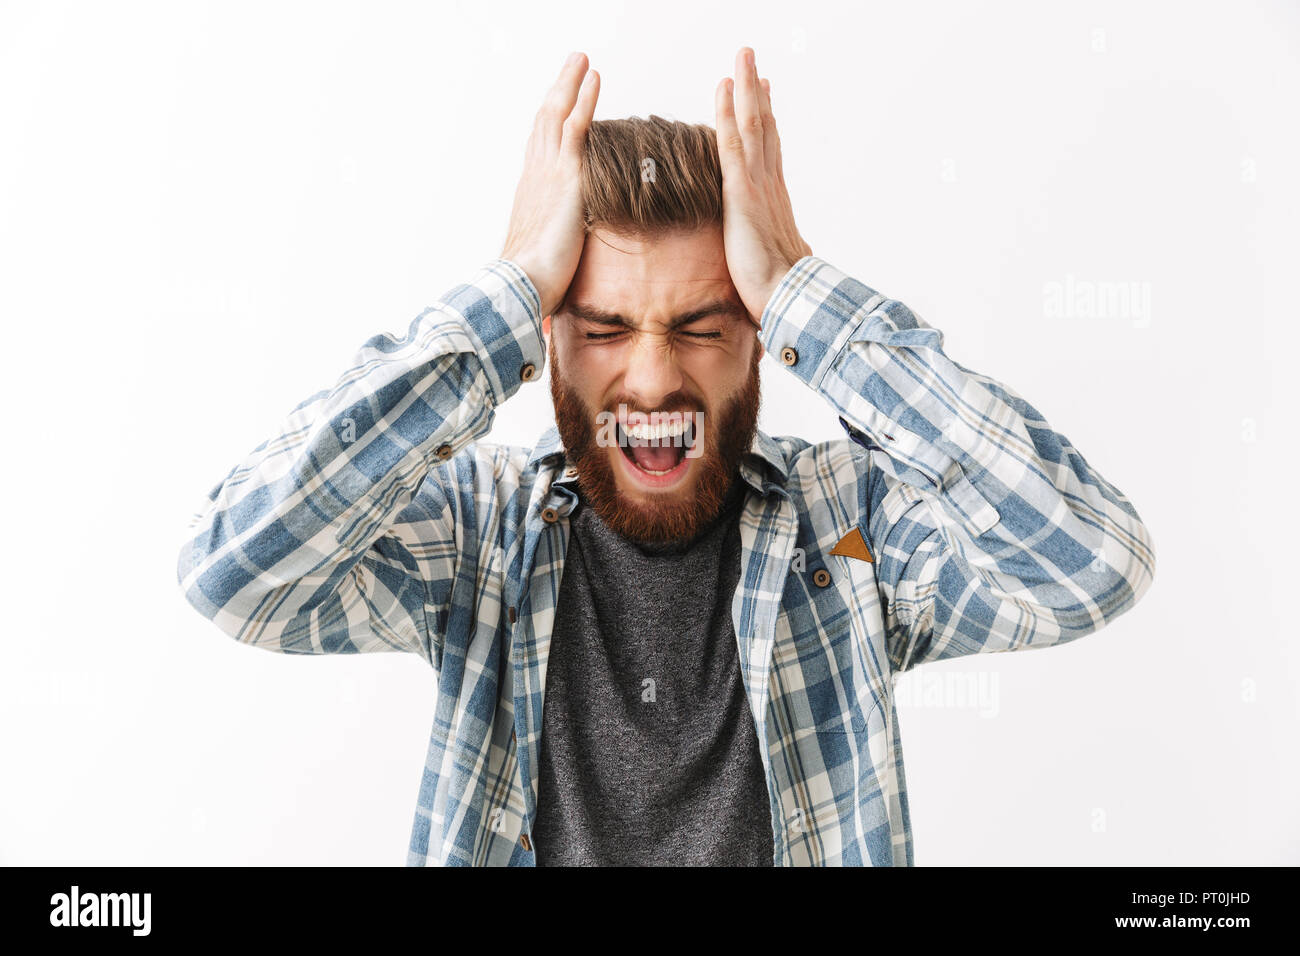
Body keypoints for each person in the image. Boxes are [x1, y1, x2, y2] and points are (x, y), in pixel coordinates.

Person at [176, 48, 1156, 866]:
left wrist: (805, 290)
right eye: (605, 329)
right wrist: (505, 290)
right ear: (546, 336)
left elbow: (1092, 563)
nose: (651, 380)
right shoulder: (476, 534)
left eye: (701, 326)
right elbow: (235, 573)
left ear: (763, 335)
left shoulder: (854, 533)